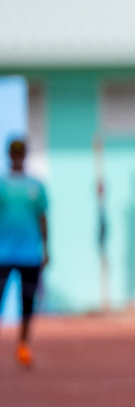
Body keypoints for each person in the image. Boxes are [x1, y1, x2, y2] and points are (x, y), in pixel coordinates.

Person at [0, 137, 48, 368]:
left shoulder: (36, 186)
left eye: (21, 152)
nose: (17, 156)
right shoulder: (1, 185)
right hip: (3, 253)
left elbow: (43, 218)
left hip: (30, 254)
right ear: (9, 155)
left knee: (28, 303)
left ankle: (23, 346)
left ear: (25, 155)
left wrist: (47, 249)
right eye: (14, 152)